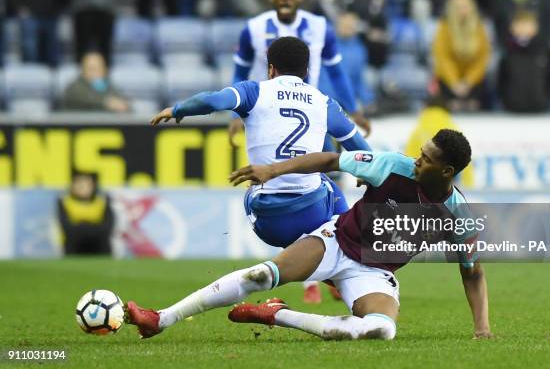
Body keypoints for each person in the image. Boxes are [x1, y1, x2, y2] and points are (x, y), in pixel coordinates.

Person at [125, 129, 492, 341]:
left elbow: (472, 271)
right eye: (420, 152)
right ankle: (160, 319)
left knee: (381, 331)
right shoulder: (393, 166)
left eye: (426, 159)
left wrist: (482, 328)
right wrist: (273, 169)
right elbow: (330, 160)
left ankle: (278, 315)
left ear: (446, 171)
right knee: (261, 275)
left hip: (374, 274)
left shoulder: (458, 217)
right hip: (334, 243)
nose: (417, 159)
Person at [150, 36, 370, 297]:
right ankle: (346, 262)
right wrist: (366, 172)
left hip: (269, 221)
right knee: (328, 185)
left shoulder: (253, 91)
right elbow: (360, 147)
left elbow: (211, 101)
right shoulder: (324, 103)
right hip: (313, 212)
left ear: (270, 69)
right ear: (307, 71)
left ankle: (334, 267)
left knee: (255, 188)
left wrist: (177, 109)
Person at [228, 0, 371, 148]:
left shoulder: (320, 28)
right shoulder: (253, 28)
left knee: (330, 167)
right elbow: (240, 73)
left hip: (308, 114)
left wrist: (354, 110)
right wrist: (235, 115)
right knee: (266, 172)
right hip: (266, 116)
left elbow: (336, 74)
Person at [432, 0, 491, 111]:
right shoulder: (444, 27)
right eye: (458, 7)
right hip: (449, 82)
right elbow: (443, 58)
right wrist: (454, 82)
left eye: (465, 6)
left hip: (473, 82)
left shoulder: (479, 28)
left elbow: (482, 58)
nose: (462, 10)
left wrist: (468, 81)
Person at [498, 9, 550, 112]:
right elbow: (502, 82)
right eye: (520, 24)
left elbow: (549, 81)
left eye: (527, 24)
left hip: (539, 108)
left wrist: (544, 101)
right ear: (512, 27)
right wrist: (507, 102)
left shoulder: (542, 52)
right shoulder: (508, 52)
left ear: (536, 28)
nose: (523, 28)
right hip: (513, 109)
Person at [58, 172, 115, 255]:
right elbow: (67, 227)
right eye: (79, 185)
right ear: (72, 186)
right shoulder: (65, 202)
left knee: (104, 241)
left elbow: (107, 226)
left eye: (86, 185)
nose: (82, 188)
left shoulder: (102, 201)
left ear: (93, 186)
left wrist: (85, 228)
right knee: (71, 240)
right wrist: (91, 227)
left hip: (98, 243)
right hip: (75, 243)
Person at [62, 51, 130, 112]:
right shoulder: (74, 87)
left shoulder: (107, 85)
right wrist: (108, 102)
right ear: (83, 70)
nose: (95, 73)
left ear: (105, 70)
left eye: (98, 68)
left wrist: (123, 104)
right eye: (91, 69)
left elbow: (120, 100)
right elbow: (87, 99)